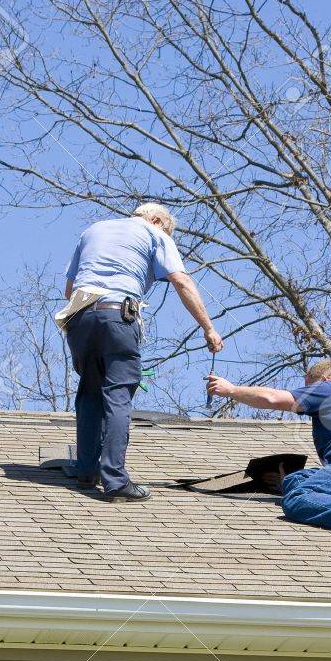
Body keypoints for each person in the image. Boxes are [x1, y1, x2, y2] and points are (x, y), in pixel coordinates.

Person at [61, 203, 224, 502]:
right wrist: (208, 328)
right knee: (118, 394)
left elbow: (69, 290)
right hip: (117, 316)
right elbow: (181, 280)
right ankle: (115, 481)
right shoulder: (154, 233)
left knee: (90, 392)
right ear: (158, 220)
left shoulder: (93, 230)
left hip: (78, 318)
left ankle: (86, 469)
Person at [205, 361, 331, 539]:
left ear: (325, 379)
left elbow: (272, 399)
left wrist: (230, 390)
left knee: (296, 499)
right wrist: (285, 483)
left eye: (308, 388)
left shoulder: (330, 388)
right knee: (293, 481)